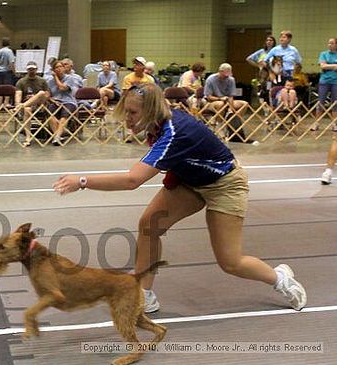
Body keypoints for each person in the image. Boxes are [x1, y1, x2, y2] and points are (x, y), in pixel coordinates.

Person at [52, 83, 307, 314]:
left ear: (151, 111)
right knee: (149, 225)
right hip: (191, 181)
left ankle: (279, 278)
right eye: (126, 112)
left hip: (225, 185)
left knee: (230, 262)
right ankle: (145, 293)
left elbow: (133, 180)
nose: (127, 119)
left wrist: (82, 181)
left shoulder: (175, 133)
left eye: (132, 113)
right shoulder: (158, 123)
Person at [204, 63, 256, 144]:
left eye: (228, 75)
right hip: (212, 101)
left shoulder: (231, 79)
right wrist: (220, 98)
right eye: (225, 75)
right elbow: (208, 96)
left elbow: (231, 96)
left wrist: (231, 108)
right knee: (220, 104)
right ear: (220, 71)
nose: (226, 77)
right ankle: (219, 126)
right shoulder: (211, 79)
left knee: (244, 104)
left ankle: (233, 120)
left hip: (227, 100)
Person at [14, 61, 50, 146]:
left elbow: (47, 94)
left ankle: (21, 106)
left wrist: (36, 97)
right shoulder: (21, 81)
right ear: (27, 70)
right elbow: (18, 94)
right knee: (27, 110)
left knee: (41, 93)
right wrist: (18, 103)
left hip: (40, 105)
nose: (31, 71)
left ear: (36, 70)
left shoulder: (42, 81)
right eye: (30, 69)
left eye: (33, 69)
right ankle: (28, 137)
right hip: (28, 106)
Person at [45, 60, 78, 146]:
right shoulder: (49, 81)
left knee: (64, 116)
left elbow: (62, 88)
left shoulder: (69, 78)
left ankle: (57, 136)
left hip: (68, 101)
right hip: (56, 102)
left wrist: (55, 77)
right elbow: (48, 95)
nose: (59, 69)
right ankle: (58, 136)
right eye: (56, 67)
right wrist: (53, 101)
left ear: (64, 68)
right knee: (50, 114)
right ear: (53, 69)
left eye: (61, 67)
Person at [319, 37, 337, 184]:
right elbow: (323, 66)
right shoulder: (324, 54)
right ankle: (328, 171)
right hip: (326, 81)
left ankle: (328, 172)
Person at [0, 37, 16, 105]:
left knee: (0, 87)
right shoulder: (9, 51)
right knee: (7, 87)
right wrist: (14, 72)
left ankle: (0, 103)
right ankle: (6, 102)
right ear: (9, 43)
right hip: (7, 72)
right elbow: (11, 62)